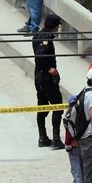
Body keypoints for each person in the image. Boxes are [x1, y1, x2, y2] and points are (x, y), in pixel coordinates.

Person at [32, 13, 64, 149]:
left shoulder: (37, 35)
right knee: (58, 106)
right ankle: (56, 140)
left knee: (42, 106)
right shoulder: (46, 38)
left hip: (38, 77)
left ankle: (42, 137)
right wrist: (49, 69)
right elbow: (40, 56)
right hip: (46, 78)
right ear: (54, 26)